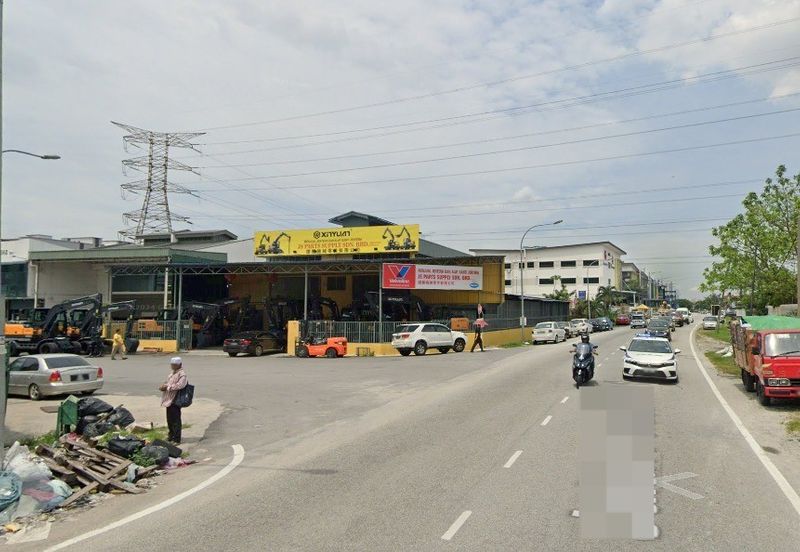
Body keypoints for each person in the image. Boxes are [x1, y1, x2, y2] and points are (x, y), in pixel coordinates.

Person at [160, 357, 188, 444]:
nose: (172, 366)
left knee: (176, 420)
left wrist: (167, 387)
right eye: (172, 364)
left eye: (174, 365)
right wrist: (163, 386)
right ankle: (170, 436)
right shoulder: (172, 373)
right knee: (169, 419)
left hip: (175, 399)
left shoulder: (182, 374)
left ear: (179, 365)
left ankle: (176, 439)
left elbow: (180, 385)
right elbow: (168, 382)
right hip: (169, 400)